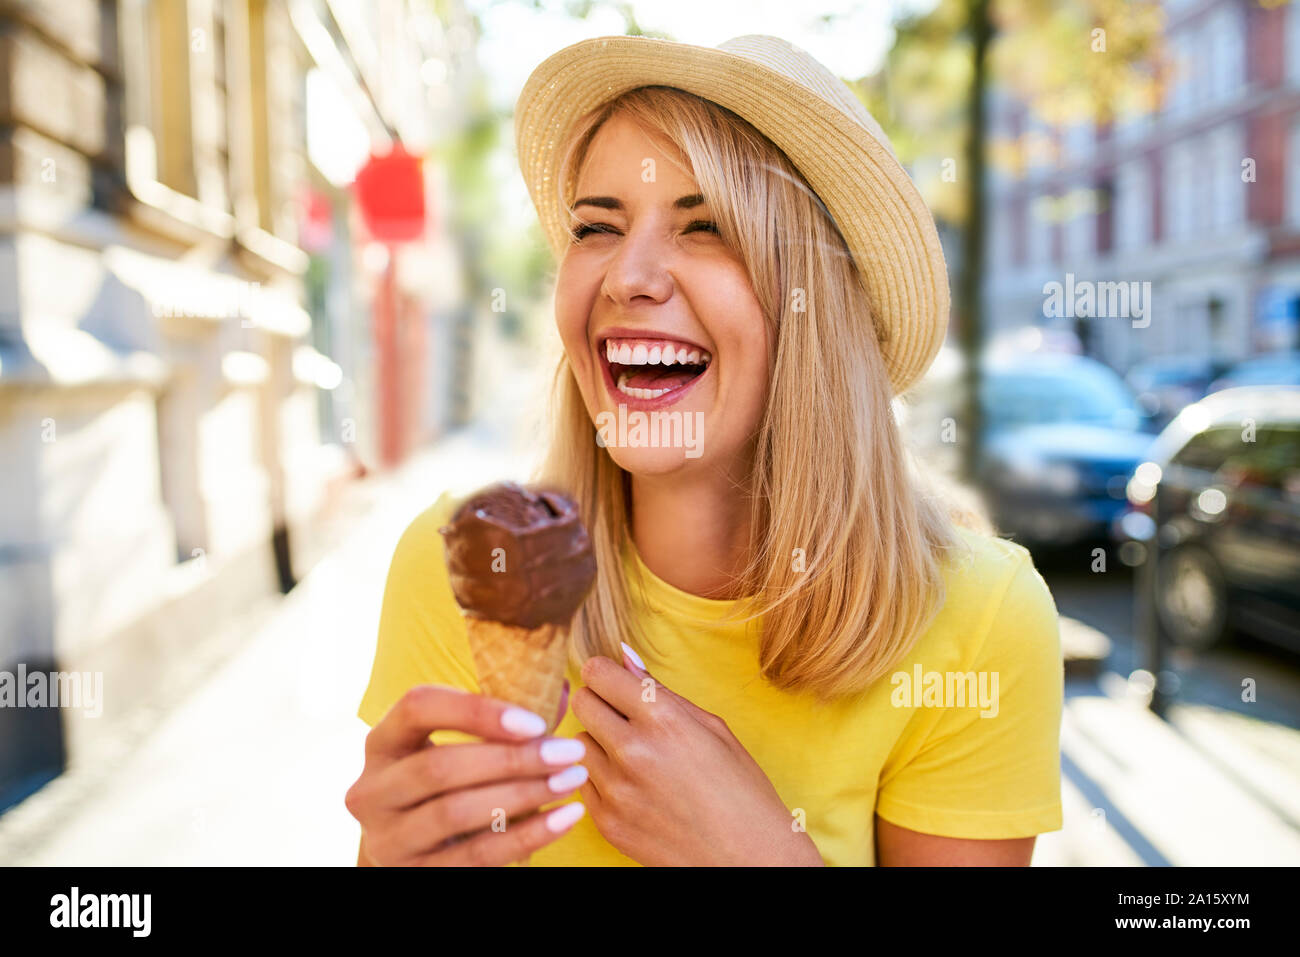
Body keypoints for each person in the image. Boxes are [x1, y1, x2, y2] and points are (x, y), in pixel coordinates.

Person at [346, 34, 1063, 866]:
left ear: (815, 306)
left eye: (707, 227)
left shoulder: (978, 621)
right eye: (596, 227)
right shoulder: (466, 568)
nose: (628, 276)